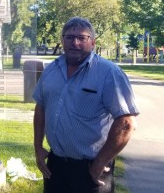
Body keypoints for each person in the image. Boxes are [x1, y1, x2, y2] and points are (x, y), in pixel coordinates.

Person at [32, 17, 139, 193]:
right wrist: (37, 147)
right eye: (69, 37)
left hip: (91, 169)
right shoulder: (51, 69)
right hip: (55, 166)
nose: (75, 43)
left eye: (82, 38)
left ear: (93, 42)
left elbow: (127, 123)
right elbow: (41, 106)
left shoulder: (109, 73)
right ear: (62, 40)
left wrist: (100, 163)